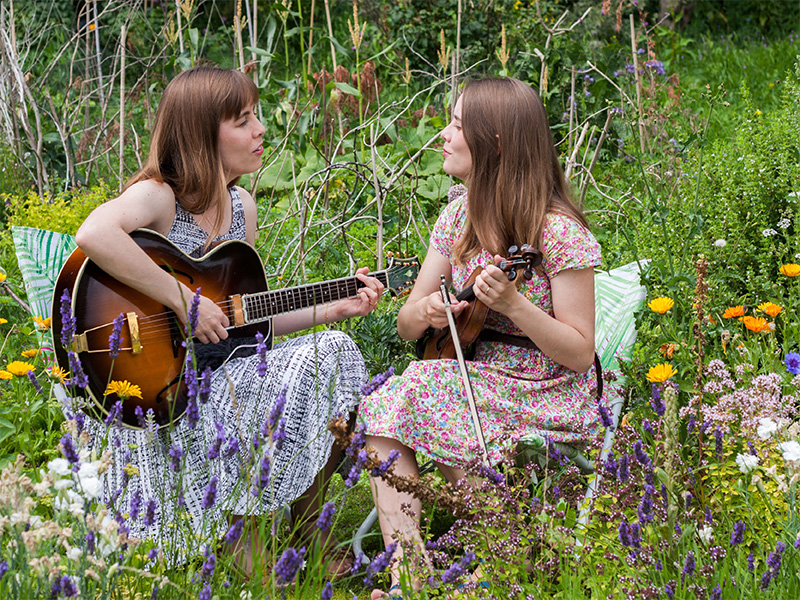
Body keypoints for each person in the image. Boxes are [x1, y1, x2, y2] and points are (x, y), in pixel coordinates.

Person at [71, 66, 384, 576]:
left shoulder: (242, 207)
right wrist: (183, 300)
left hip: (228, 369)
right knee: (285, 373)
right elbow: (94, 233)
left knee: (331, 348)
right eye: (243, 120)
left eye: (255, 115)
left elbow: (240, 325)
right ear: (201, 134)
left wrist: (332, 308)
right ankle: (244, 534)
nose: (260, 129)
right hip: (166, 382)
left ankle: (310, 529)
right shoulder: (160, 197)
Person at [360, 76, 602, 598]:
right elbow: (405, 324)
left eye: (456, 125)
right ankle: (411, 572)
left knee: (422, 392)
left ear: (494, 143)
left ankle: (506, 553)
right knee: (384, 405)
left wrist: (515, 305)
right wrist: (427, 311)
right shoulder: (457, 217)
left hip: (547, 389)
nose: (443, 135)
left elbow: (581, 353)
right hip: (472, 378)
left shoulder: (558, 231)